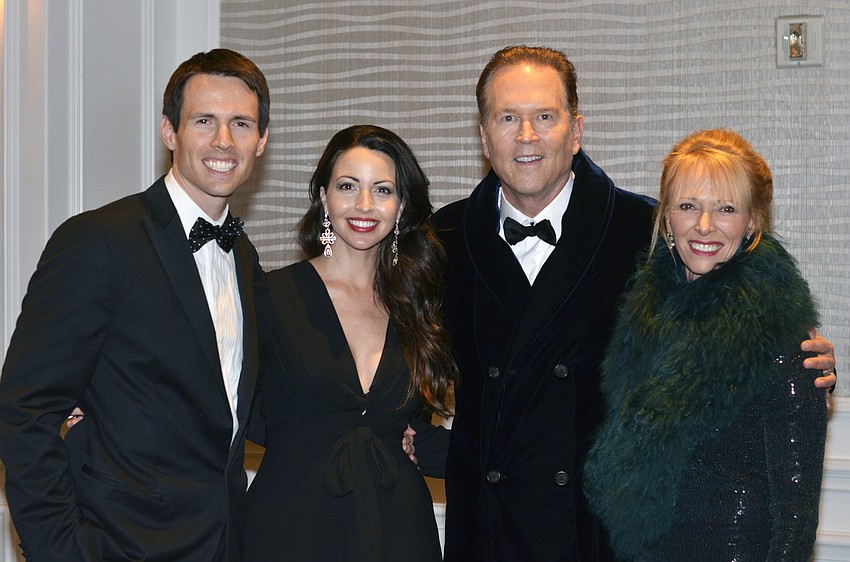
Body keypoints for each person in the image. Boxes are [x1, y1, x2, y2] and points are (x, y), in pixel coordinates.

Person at [432, 45, 837, 561]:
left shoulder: (644, 232)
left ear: (575, 131)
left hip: (597, 535)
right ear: (484, 135)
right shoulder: (442, 238)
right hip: (487, 527)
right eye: (507, 117)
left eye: (545, 117)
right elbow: (384, 336)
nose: (527, 135)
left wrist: (799, 361)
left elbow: (740, 298)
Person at [0, 49, 270, 561]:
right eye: (204, 121)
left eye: (241, 123)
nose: (223, 141)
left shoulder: (245, 258)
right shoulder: (98, 241)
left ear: (261, 141)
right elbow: (25, 409)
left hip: (224, 545)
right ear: (169, 132)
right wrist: (61, 551)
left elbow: (239, 408)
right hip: (120, 544)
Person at [583, 128, 828, 560]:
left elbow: (796, 509)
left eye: (726, 208)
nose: (704, 225)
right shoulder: (640, 315)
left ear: (752, 220)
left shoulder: (782, 337)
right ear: (666, 218)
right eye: (688, 205)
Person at [242, 124, 456, 561]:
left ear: (401, 206)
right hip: (290, 524)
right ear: (323, 197)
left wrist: (432, 448)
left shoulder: (422, 307)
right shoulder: (268, 296)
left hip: (400, 527)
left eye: (382, 190)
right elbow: (220, 401)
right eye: (347, 186)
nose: (364, 205)